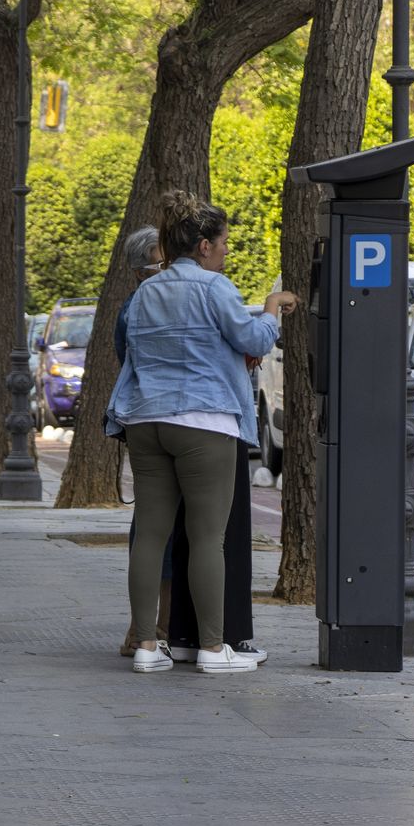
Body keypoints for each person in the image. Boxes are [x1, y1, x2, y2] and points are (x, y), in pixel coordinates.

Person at [107, 190, 296, 675]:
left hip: (146, 420)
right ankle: (214, 648)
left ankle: (147, 645)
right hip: (203, 421)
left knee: (150, 534)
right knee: (207, 537)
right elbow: (253, 338)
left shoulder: (146, 292)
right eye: (224, 241)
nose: (228, 249)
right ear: (205, 246)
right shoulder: (215, 288)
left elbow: (131, 347)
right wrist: (273, 307)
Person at [112, 226, 172, 658]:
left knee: (153, 527)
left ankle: (146, 629)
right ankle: (152, 628)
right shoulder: (148, 307)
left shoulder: (137, 306)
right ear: (143, 271)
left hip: (143, 420)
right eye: (163, 260)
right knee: (161, 529)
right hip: (166, 422)